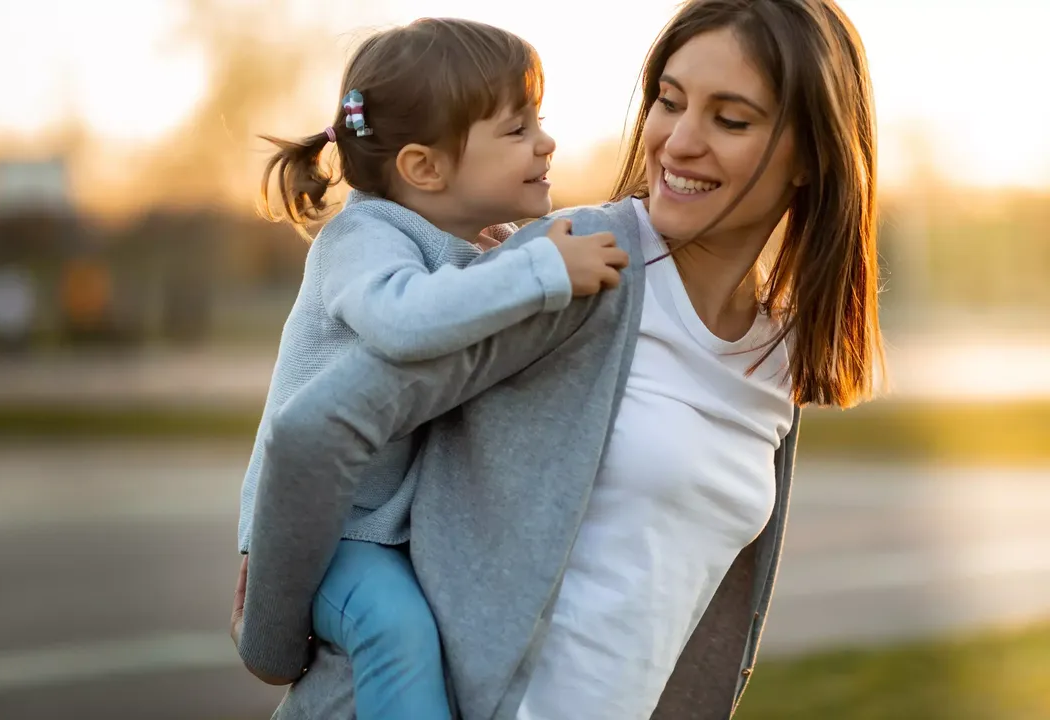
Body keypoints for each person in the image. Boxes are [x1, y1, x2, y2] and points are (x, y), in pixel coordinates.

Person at [235, 0, 884, 717]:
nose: (677, 142)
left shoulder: (776, 355)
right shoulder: (572, 268)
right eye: (668, 103)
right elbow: (313, 431)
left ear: (814, 155)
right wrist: (269, 640)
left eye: (731, 120)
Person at [235, 17, 629, 720]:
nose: (547, 141)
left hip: (385, 527)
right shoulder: (363, 238)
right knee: (396, 631)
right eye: (517, 129)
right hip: (326, 537)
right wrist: (541, 269)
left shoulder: (476, 244)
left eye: (539, 120)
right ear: (424, 168)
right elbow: (404, 320)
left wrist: (521, 258)